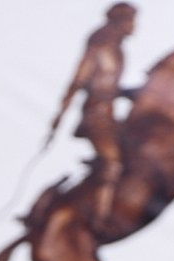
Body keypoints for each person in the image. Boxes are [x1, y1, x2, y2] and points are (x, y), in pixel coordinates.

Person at [49, 3, 137, 229]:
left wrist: (129, 92)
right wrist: (60, 114)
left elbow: (109, 86)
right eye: (130, 20)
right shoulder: (100, 46)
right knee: (112, 164)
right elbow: (79, 80)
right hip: (95, 116)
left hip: (109, 113)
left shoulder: (118, 50)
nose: (133, 26)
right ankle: (99, 220)